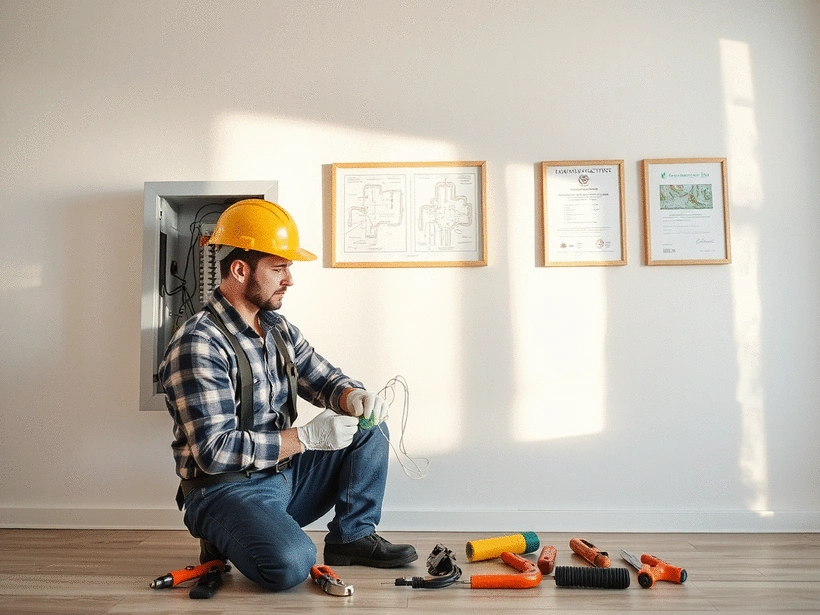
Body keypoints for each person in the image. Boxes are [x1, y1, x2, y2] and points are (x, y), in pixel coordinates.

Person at [158, 198, 417, 591]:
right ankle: (225, 533)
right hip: (223, 489)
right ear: (241, 269)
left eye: (288, 268)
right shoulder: (199, 343)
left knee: (368, 428)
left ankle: (352, 537)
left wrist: (352, 397)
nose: (289, 279)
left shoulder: (277, 328)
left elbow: (324, 379)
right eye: (278, 268)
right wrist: (307, 438)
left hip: (284, 475)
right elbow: (213, 452)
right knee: (291, 563)